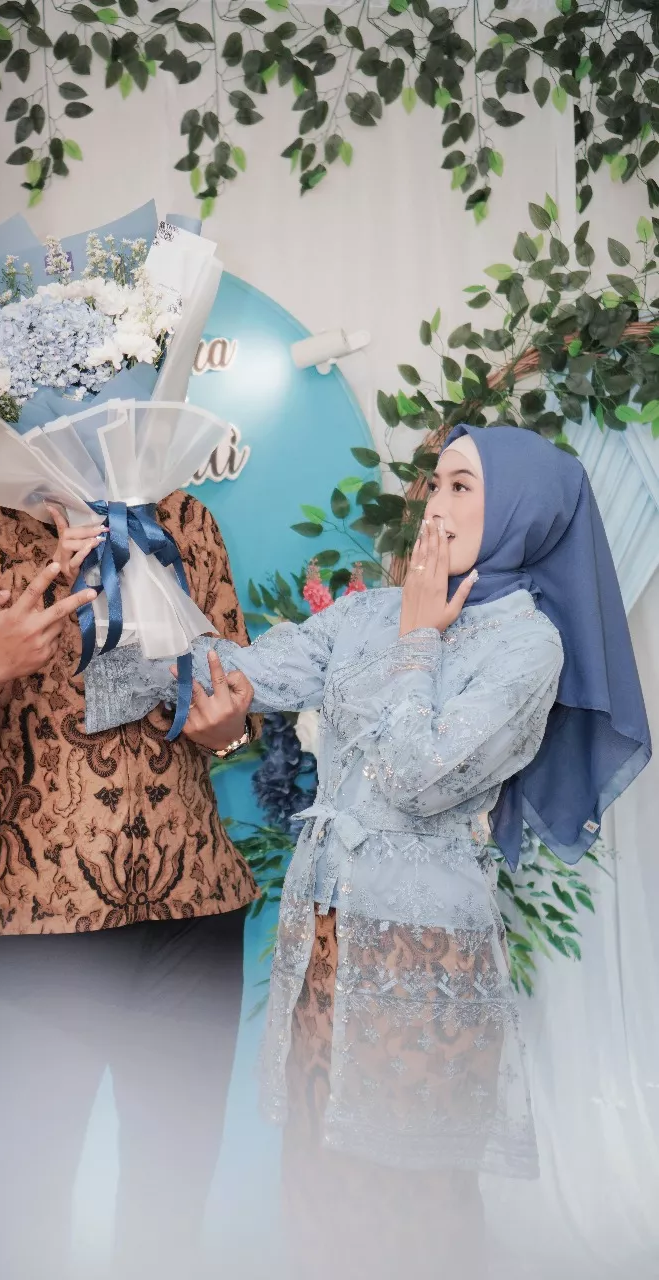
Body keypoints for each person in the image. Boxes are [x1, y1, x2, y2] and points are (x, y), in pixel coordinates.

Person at [83, 425, 651, 1278]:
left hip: (426, 952)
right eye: (435, 483)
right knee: (321, 1169)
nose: (435, 505)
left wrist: (418, 641)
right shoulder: (367, 613)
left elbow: (420, 778)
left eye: (462, 486)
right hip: (326, 936)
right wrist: (98, 619)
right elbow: (240, 672)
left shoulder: (528, 645)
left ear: (521, 510)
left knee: (411, 1189)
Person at [0, 490, 260, 1280]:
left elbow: (239, 694)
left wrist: (230, 729)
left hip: (195, 902)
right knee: (32, 1176)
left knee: (176, 1179)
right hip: (42, 911)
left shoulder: (181, 517)